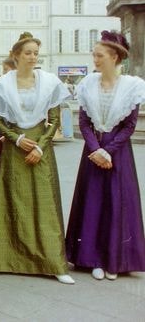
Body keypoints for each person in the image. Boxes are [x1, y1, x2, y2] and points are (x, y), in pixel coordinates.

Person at [0, 32, 75, 285]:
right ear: (16, 56)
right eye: (28, 53)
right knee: (11, 200)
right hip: (14, 146)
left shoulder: (49, 82)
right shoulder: (2, 85)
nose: (33, 57)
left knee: (45, 203)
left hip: (40, 147)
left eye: (35, 53)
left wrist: (41, 146)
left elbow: (53, 118)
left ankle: (53, 262)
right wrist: (17, 139)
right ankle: (4, 259)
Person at [65, 30, 145, 280]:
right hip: (93, 151)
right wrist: (96, 149)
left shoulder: (133, 86)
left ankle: (115, 261)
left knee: (116, 203)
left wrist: (108, 151)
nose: (95, 59)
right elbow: (84, 122)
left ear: (114, 57)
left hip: (118, 153)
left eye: (99, 55)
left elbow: (130, 125)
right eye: (94, 55)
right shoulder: (88, 83)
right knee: (93, 203)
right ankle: (93, 259)